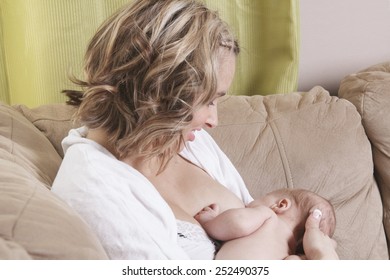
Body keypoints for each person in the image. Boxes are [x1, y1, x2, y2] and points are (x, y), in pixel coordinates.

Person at [51, 0, 338, 260]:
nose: (213, 120)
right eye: (208, 100)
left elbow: (263, 235)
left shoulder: (188, 142)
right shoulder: (95, 188)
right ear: (160, 91)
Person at [195, 188, 337, 260]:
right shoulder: (289, 257)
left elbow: (238, 222)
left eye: (262, 197)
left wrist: (211, 221)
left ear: (280, 205)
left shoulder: (268, 216)